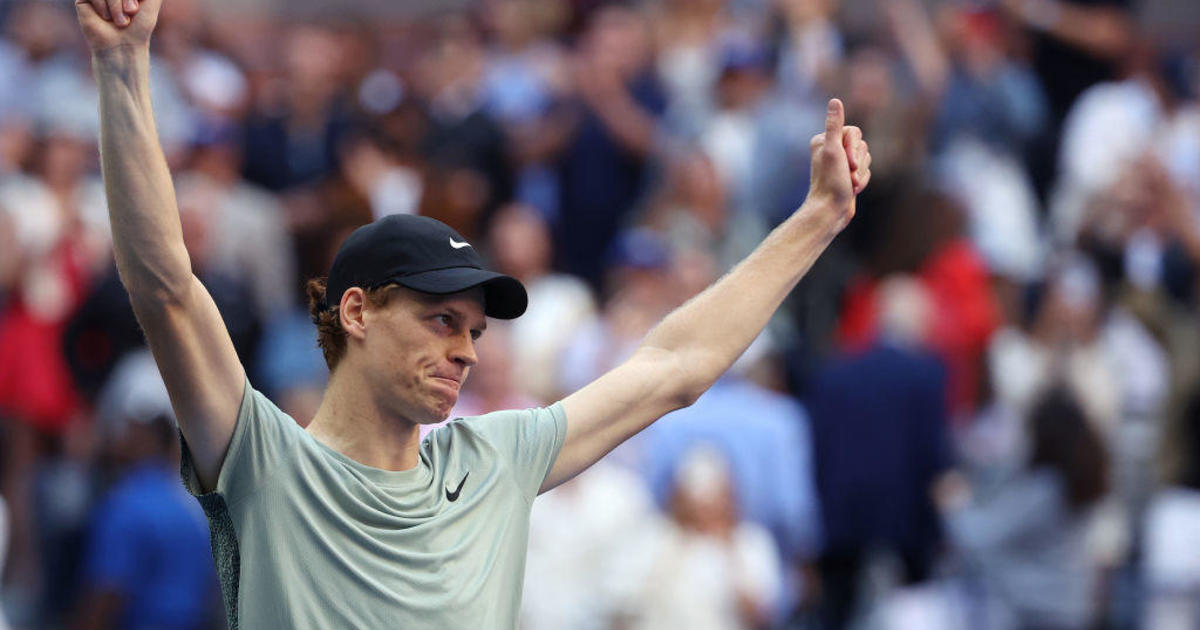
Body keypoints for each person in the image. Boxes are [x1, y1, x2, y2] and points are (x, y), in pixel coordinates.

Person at [73, 0, 871, 627]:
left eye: (476, 331)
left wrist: (817, 220)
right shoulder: (261, 458)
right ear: (356, 311)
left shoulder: (495, 458)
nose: (466, 351)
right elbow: (166, 286)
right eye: (441, 321)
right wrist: (121, 61)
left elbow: (675, 369)